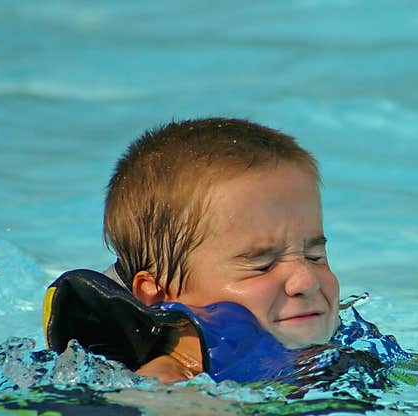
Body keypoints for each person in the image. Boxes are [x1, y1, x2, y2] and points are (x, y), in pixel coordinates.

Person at [99, 118, 341, 384]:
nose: (307, 282)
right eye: (262, 266)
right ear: (157, 293)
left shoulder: (336, 347)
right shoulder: (165, 384)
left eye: (315, 256)